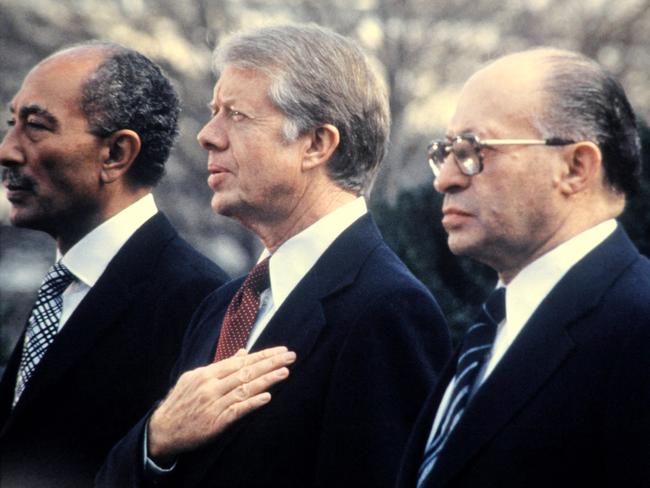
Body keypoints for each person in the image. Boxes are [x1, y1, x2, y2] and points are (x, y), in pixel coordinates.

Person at [97, 24, 451, 488]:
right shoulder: (220, 307)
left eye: (236, 115)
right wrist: (156, 439)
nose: (207, 135)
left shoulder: (388, 310)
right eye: (213, 112)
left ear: (316, 144)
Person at [398, 48, 650, 488]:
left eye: (474, 150)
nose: (445, 180)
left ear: (575, 167)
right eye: (447, 151)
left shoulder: (637, 324)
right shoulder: (498, 321)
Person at [0, 42, 231, 487]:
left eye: (36, 127)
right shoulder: (62, 288)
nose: (8, 150)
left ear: (117, 154)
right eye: (13, 124)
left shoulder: (197, 302)